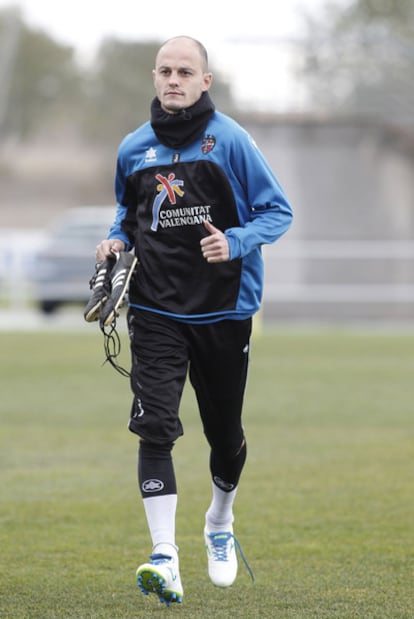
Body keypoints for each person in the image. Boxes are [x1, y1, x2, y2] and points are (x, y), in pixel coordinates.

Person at [90, 35, 293, 606]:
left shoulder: (228, 141)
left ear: (206, 81)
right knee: (155, 427)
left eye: (185, 71)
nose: (173, 79)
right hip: (154, 309)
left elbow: (278, 210)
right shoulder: (133, 148)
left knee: (225, 437)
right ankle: (164, 556)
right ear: (154, 78)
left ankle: (219, 522)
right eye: (164, 71)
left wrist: (235, 241)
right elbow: (125, 218)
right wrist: (111, 242)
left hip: (224, 309)